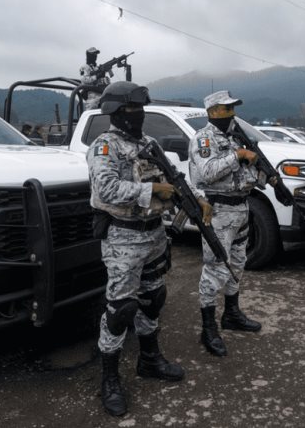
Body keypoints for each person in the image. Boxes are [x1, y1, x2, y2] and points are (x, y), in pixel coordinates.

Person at [86, 81, 212, 417]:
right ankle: (109, 378)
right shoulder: (104, 146)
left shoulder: (150, 144)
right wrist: (152, 189)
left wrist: (196, 201)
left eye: (140, 108)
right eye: (132, 109)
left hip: (155, 235)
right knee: (120, 310)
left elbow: (175, 180)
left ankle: (150, 359)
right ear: (116, 111)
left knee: (153, 300)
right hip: (123, 238)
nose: (138, 115)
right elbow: (106, 189)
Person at [188, 90, 264, 357]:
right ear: (212, 112)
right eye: (226, 109)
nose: (232, 114)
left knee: (238, 263)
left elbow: (249, 171)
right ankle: (208, 327)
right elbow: (208, 172)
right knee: (215, 268)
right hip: (217, 211)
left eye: (232, 108)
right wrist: (238, 156)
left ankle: (232, 313)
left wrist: (261, 171)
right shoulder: (203, 138)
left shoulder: (237, 137)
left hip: (242, 207)